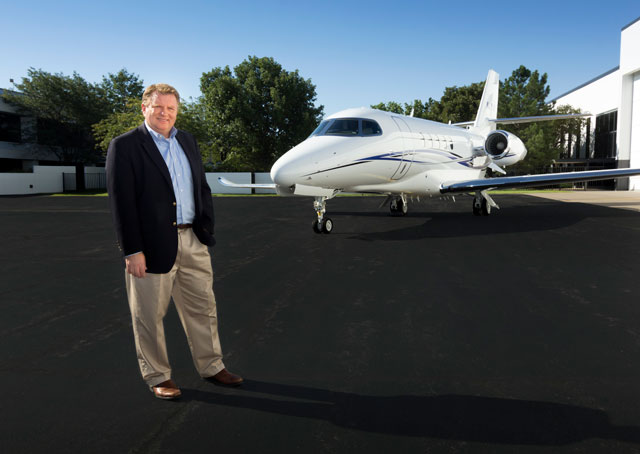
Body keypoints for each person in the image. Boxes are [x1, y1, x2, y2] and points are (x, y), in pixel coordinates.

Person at [106, 83, 242, 400]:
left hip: (192, 239)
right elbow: (121, 203)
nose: (165, 113)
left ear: (177, 110)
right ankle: (158, 375)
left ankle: (212, 366)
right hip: (150, 246)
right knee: (149, 315)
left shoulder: (187, 141)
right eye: (158, 107)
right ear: (144, 108)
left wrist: (204, 228)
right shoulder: (125, 146)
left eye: (170, 108)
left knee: (203, 309)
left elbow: (201, 187)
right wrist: (132, 250)